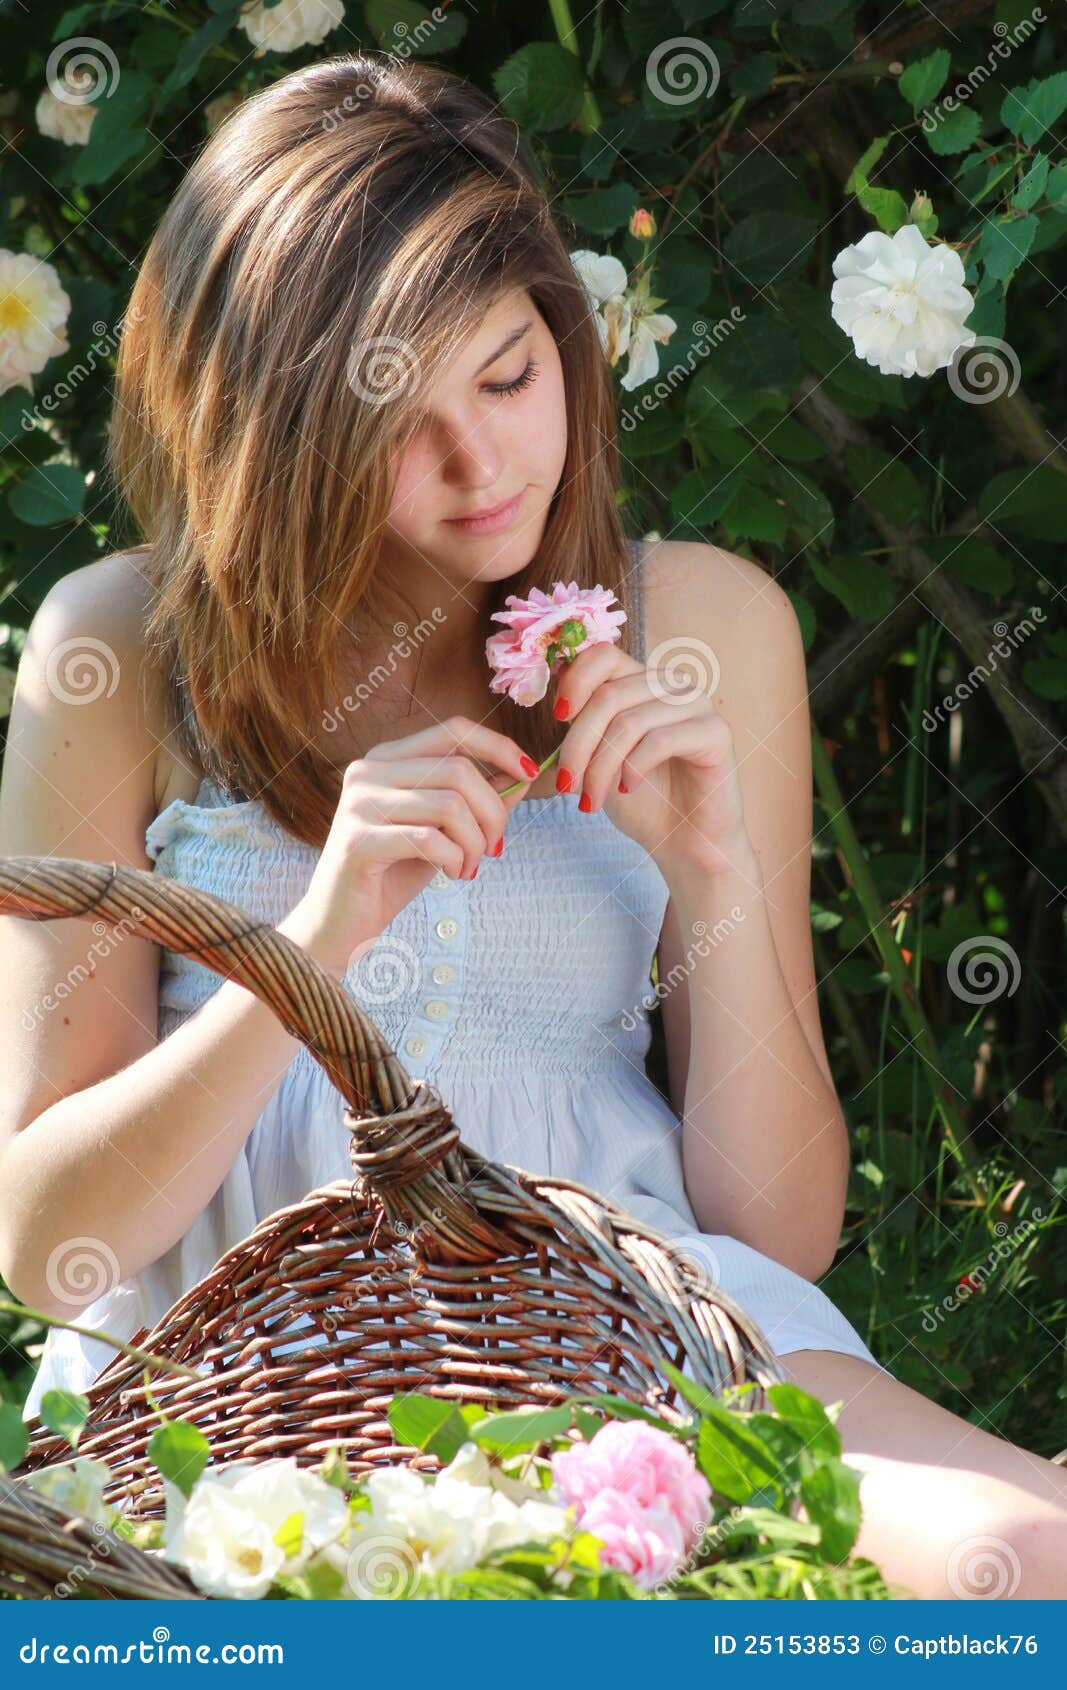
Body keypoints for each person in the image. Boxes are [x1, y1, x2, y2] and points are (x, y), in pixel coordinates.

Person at [0, 52, 1064, 1600]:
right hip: (252, 1385)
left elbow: (781, 1227)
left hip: (648, 1334)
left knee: (1026, 1556)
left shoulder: (700, 623)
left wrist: (709, 870)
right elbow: (48, 1244)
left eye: (508, 377)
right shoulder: (124, 652)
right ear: (275, 438)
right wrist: (312, 944)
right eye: (399, 421)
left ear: (562, 337)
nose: (485, 465)